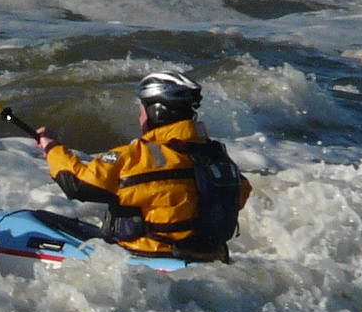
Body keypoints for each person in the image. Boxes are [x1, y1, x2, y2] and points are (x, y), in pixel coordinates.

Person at [34, 71, 252, 262]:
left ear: (157, 112)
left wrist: (51, 148)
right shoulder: (218, 157)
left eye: (142, 111)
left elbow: (77, 184)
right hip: (211, 260)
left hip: (149, 261)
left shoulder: (137, 157)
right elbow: (241, 192)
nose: (140, 119)